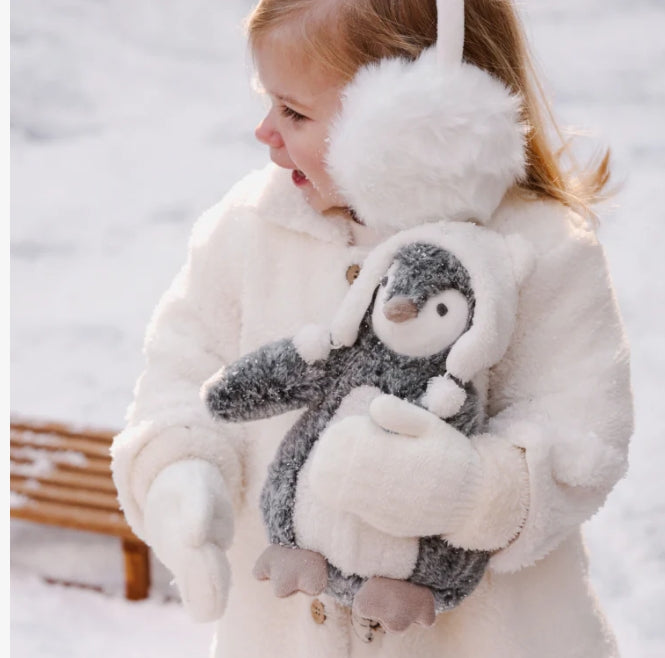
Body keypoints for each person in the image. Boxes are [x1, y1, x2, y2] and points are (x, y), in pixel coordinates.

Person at [111, 1, 634, 656]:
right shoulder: (248, 229)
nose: (264, 133)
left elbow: (581, 439)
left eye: (294, 113)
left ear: (416, 119)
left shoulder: (535, 249)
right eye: (267, 102)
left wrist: (468, 492)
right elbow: (182, 372)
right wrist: (179, 470)